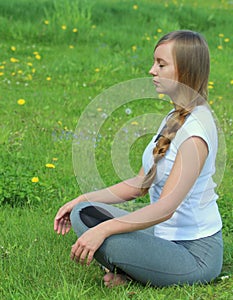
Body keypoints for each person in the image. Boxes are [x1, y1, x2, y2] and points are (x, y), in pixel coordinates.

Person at [54, 30, 223, 288]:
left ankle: (137, 272)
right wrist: (81, 199)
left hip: (193, 254)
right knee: (84, 213)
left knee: (102, 235)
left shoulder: (195, 133)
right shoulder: (175, 116)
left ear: (185, 70)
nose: (151, 70)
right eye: (155, 62)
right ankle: (139, 268)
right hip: (163, 236)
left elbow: (165, 208)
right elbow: (138, 185)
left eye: (161, 64)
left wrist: (105, 229)